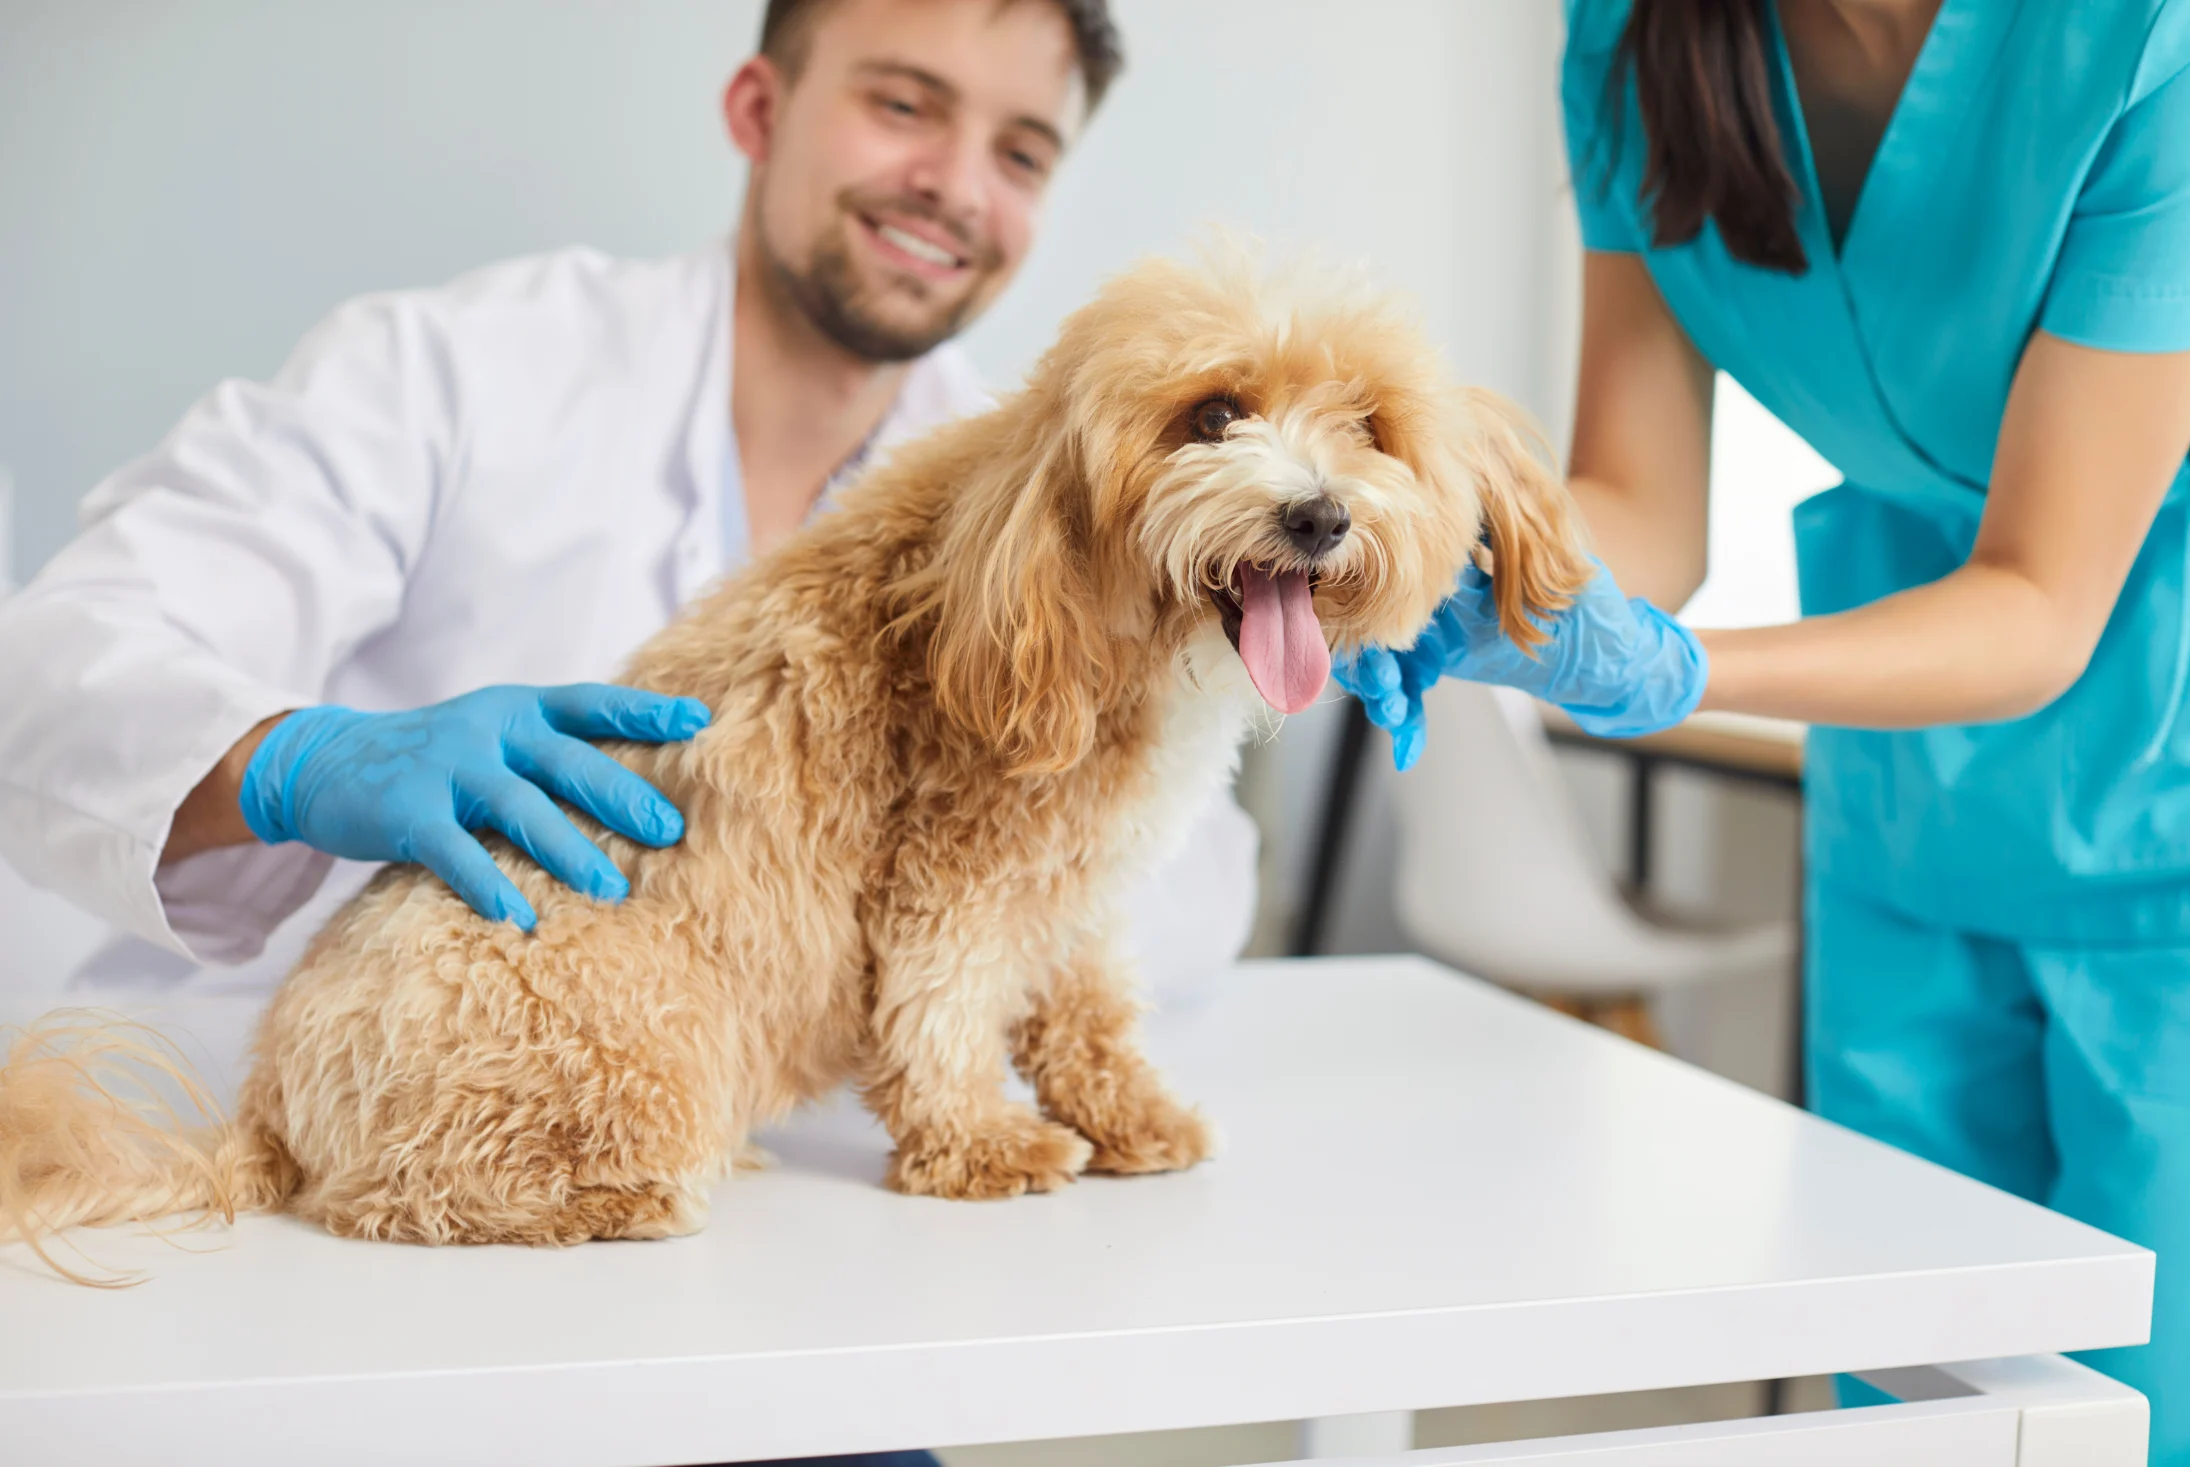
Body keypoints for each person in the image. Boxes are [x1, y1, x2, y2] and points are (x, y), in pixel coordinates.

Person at [0, 2, 1255, 1460]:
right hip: (345, 1233)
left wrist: (1224, 668)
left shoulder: (1064, 490)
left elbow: (1193, 892)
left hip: (750, 1255)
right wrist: (298, 759)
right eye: (904, 105)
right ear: (758, 108)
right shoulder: (454, 369)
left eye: (1021, 149)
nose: (957, 187)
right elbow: (47, 665)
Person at [1339, 0, 2190, 1454]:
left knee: (2144, 1406)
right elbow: (1645, 509)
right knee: (1905, 1383)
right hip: (1907, 783)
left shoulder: (2143, 39)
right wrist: (1476, 560)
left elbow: (2043, 596)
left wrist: (1680, 670)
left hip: (2159, 751)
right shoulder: (1634, 38)